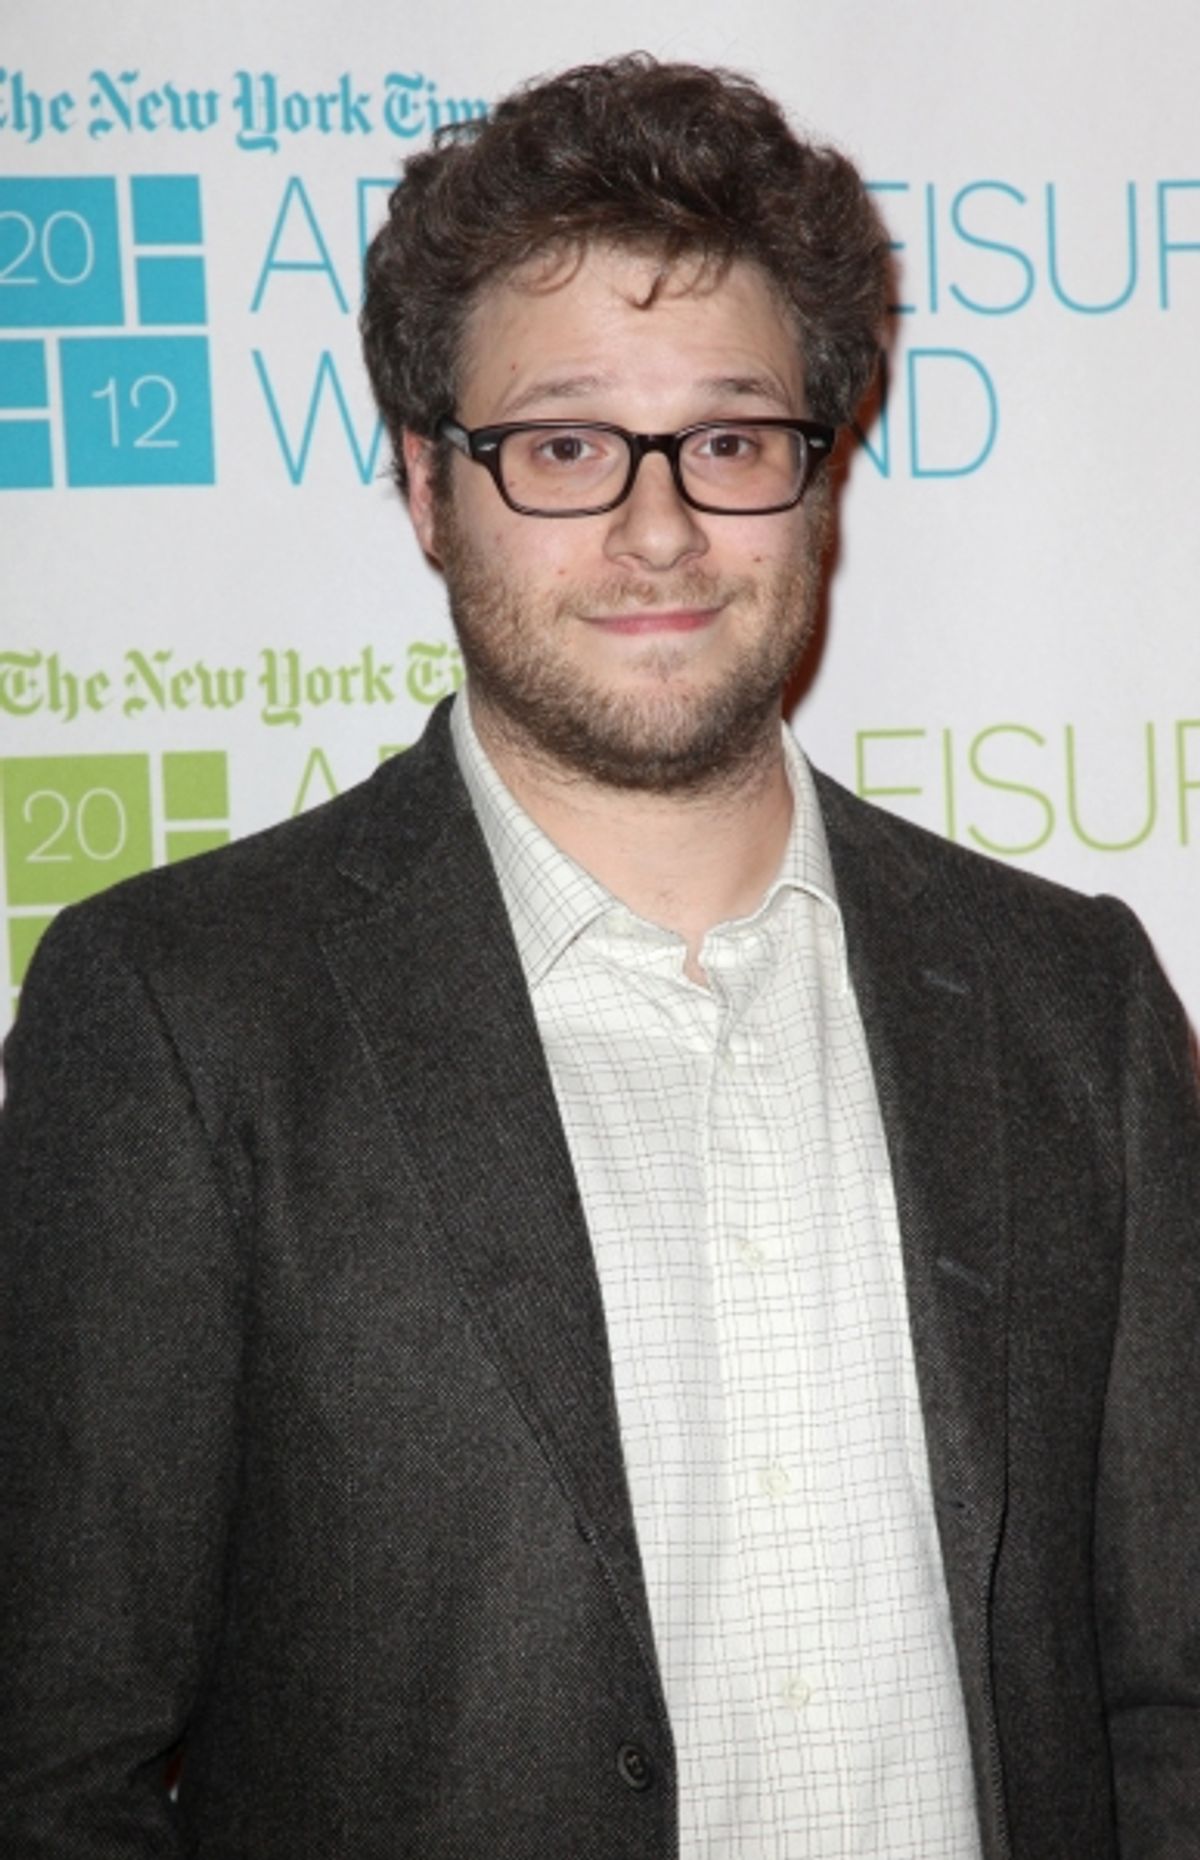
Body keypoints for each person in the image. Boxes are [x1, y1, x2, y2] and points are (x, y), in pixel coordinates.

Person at [1, 52, 1197, 1860]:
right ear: (426, 484)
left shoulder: (1070, 999)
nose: (657, 531)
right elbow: (51, 1762)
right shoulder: (180, 1015)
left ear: (822, 472)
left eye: (727, 442)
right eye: (562, 446)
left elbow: (1172, 1697)